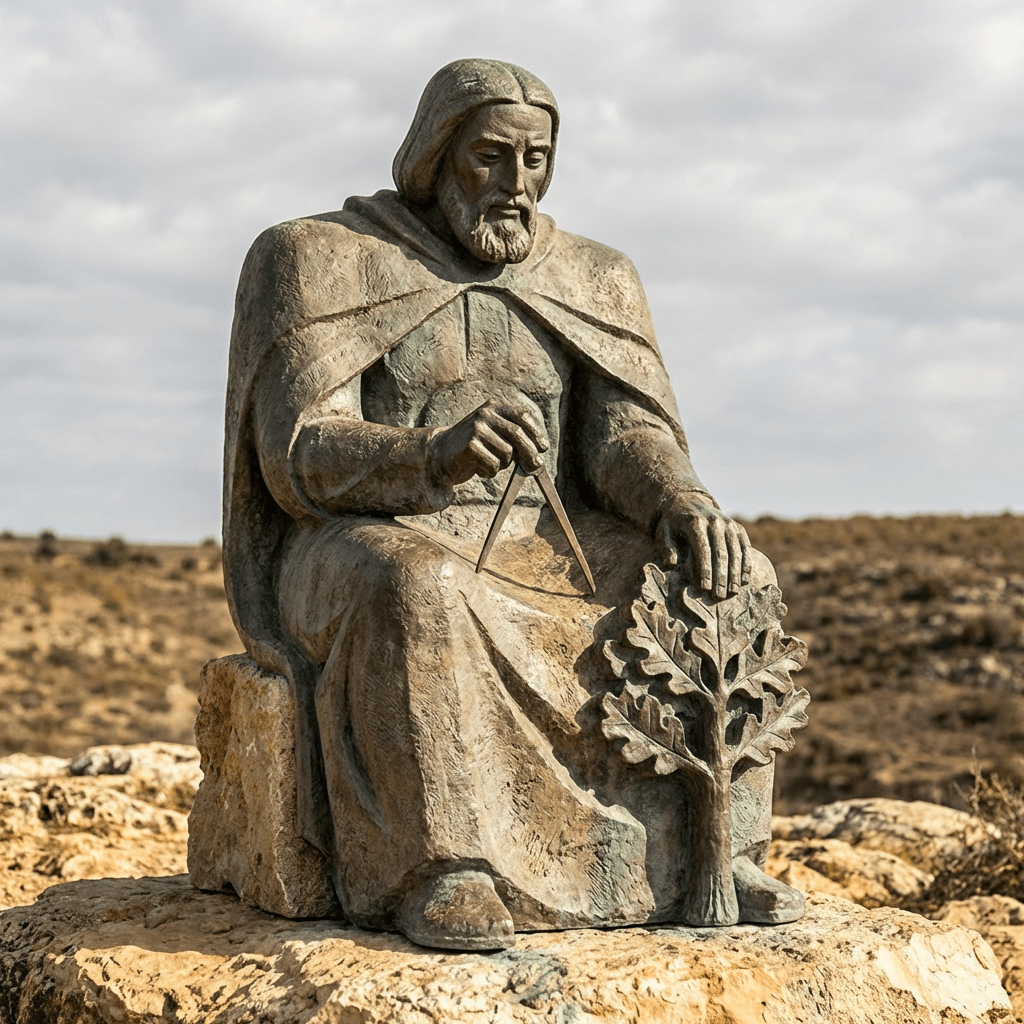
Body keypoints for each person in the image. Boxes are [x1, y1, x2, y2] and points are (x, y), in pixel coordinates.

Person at [222, 58, 803, 950]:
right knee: (418, 586)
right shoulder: (322, 257)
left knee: (731, 574)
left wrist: (679, 499)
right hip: (366, 535)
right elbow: (300, 450)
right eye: (490, 157)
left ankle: (719, 851)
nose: (515, 183)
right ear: (434, 155)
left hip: (545, 538)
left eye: (536, 160)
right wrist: (428, 456)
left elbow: (620, 439)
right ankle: (441, 868)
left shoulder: (592, 276)